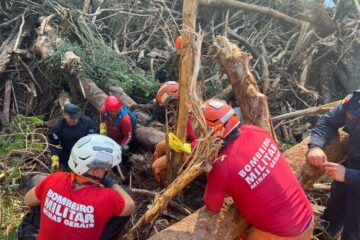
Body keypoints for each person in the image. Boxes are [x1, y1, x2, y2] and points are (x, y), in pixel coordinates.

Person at [203, 99, 314, 239]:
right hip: (307, 217)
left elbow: (212, 205)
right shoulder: (254, 130)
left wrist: (210, 172)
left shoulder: (221, 164)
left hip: (282, 234)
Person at [22, 134, 135, 240]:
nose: (106, 171)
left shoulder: (54, 179)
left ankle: (39, 227)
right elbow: (130, 205)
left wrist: (57, 210)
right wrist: (111, 183)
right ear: (96, 171)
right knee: (126, 193)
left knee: (38, 181)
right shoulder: (108, 197)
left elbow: (28, 200)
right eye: (106, 168)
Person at [307, 90, 360, 239]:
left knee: (354, 231)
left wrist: (349, 175)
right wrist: (316, 146)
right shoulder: (355, 100)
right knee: (332, 214)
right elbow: (328, 121)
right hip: (348, 166)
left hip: (351, 174)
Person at [151, 81, 197, 184]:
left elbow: (200, 141)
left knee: (157, 166)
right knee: (159, 147)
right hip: (183, 142)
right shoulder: (179, 110)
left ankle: (165, 184)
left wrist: (184, 146)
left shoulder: (191, 114)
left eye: (171, 103)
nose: (170, 106)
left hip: (192, 149)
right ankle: (155, 172)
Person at [49, 103, 97, 170]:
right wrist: (54, 157)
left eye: (77, 117)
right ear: (65, 115)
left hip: (85, 154)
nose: (75, 120)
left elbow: (94, 139)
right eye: (72, 118)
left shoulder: (87, 122)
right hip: (68, 154)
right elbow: (53, 143)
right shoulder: (58, 127)